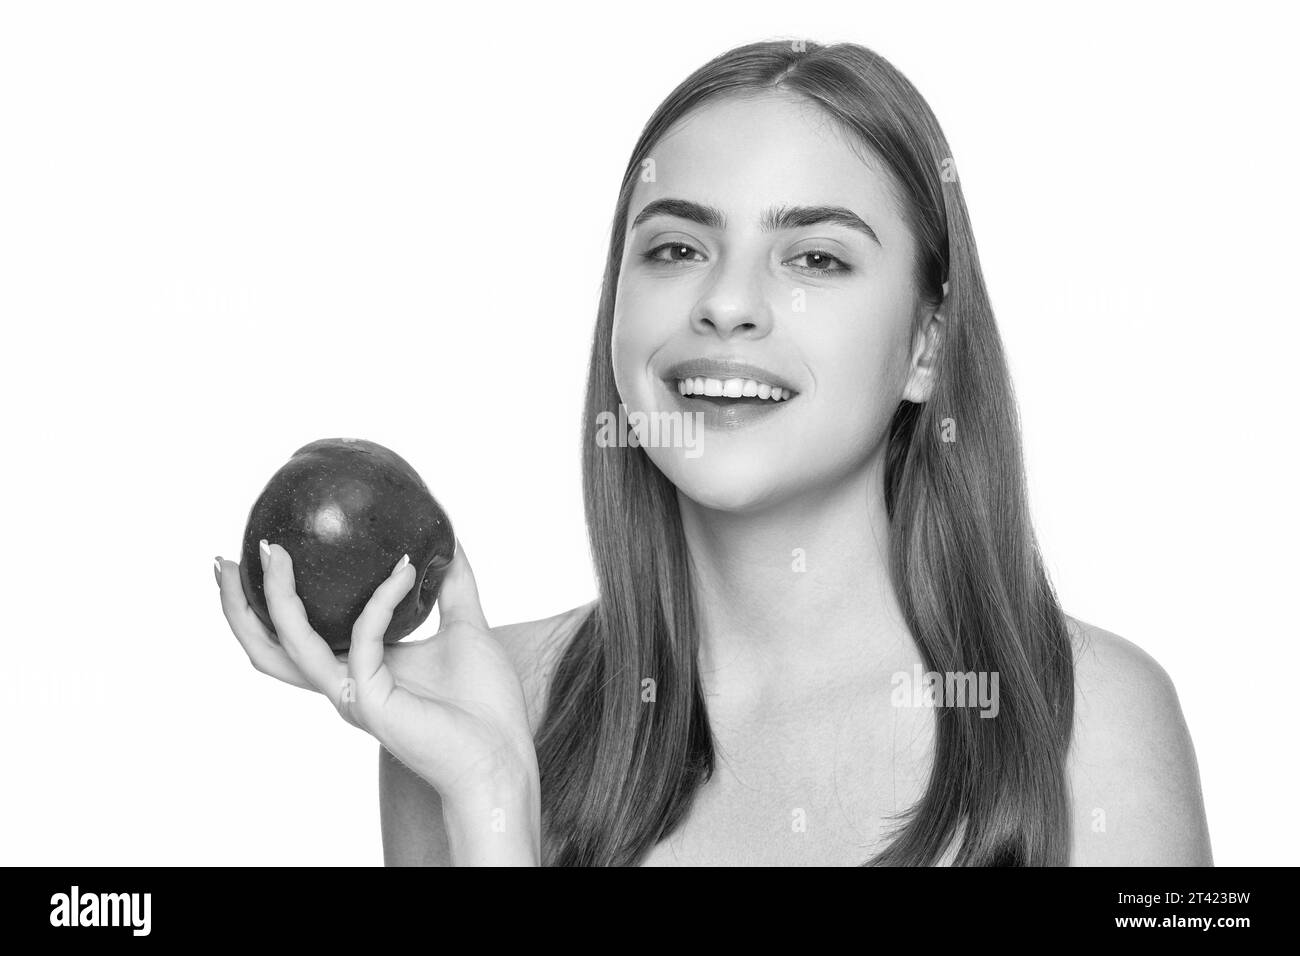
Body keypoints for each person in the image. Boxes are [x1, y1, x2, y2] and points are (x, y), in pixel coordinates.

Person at [215, 38, 1213, 866]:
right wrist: (489, 799)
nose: (725, 302)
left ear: (925, 344)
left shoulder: (1088, 720)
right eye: (675, 247)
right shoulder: (473, 710)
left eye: (815, 257)